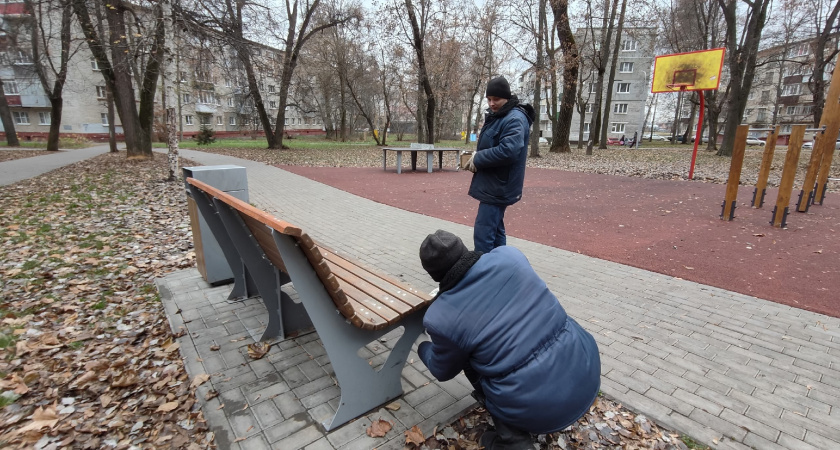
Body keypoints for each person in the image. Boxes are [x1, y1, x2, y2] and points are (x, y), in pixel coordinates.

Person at [417, 230, 602, 450]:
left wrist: (423, 347)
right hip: (586, 368)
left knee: (467, 359)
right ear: (463, 249)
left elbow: (442, 370)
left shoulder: (441, 316)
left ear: (434, 276)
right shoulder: (510, 256)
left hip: (539, 409)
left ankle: (513, 441)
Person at [463, 76, 535, 253]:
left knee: (484, 233)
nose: (492, 103)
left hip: (498, 186)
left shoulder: (514, 118)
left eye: (496, 99)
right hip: (495, 183)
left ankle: (486, 274)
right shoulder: (501, 115)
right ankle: (501, 267)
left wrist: (477, 158)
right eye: (489, 99)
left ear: (507, 98)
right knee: (495, 231)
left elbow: (508, 151)